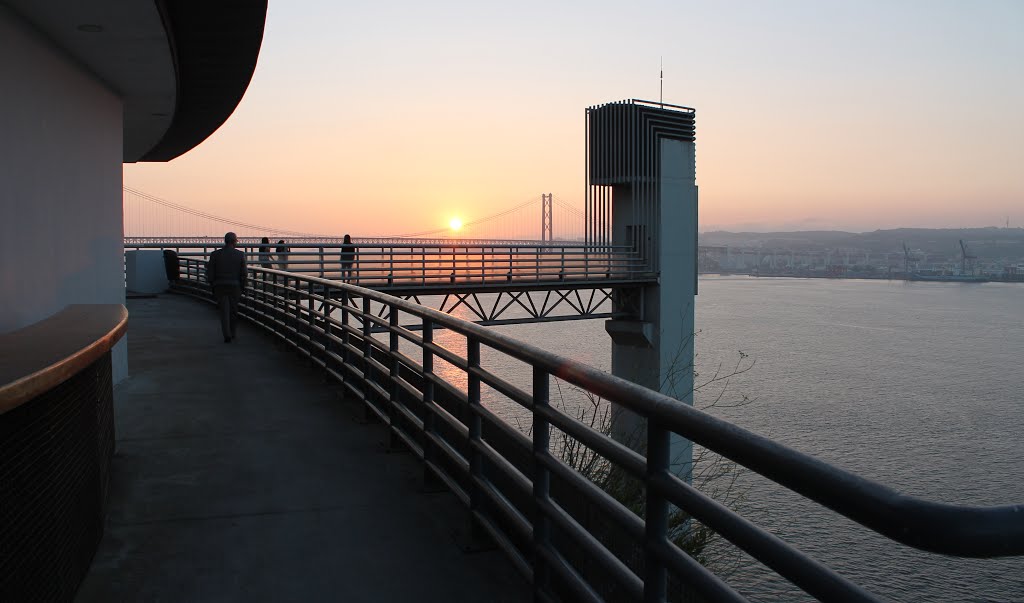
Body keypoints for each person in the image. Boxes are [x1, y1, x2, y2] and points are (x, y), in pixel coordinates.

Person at [207, 232, 247, 343]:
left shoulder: (215, 254)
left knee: (224, 311)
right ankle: (233, 332)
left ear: (225, 241)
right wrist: (243, 286)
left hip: (219, 286)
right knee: (234, 310)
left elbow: (210, 272)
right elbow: (244, 273)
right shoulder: (240, 255)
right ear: (234, 241)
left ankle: (226, 334)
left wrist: (212, 284)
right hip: (235, 286)